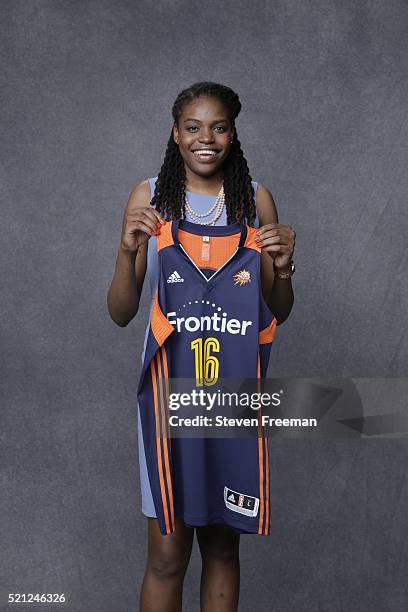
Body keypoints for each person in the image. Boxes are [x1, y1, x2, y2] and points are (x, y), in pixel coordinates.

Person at [107, 81, 296, 612]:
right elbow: (121, 313)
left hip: (231, 397)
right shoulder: (151, 197)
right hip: (170, 400)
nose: (205, 139)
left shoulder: (255, 199)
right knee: (167, 556)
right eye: (193, 127)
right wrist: (126, 253)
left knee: (222, 550)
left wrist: (282, 269)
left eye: (218, 127)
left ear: (233, 135)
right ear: (175, 133)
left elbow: (277, 308)